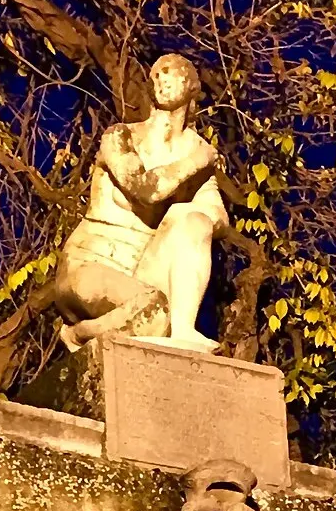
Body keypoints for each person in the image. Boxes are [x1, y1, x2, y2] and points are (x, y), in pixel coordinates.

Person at [54, 53, 229, 353]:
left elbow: (220, 219)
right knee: (154, 313)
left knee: (194, 220)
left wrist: (187, 219)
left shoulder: (196, 151)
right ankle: (80, 334)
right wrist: (197, 162)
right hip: (90, 266)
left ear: (191, 86)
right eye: (156, 75)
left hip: (144, 275)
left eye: (170, 72)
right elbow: (146, 189)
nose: (161, 80)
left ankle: (183, 330)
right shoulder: (121, 136)